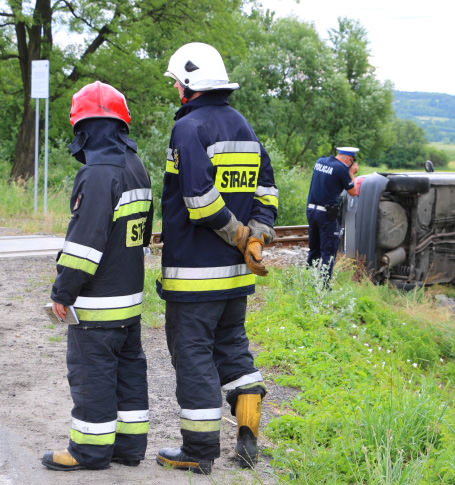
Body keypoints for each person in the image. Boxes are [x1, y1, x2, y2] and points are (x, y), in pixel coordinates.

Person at [155, 42, 278, 474]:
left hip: (194, 277)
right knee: (234, 352)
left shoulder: (189, 130)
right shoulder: (245, 128)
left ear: (189, 85)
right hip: (235, 279)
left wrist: (241, 235)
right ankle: (248, 439)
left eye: (176, 82)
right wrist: (256, 238)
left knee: (193, 358)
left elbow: (200, 202)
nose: (174, 88)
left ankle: (198, 451)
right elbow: (267, 193)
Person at [41, 81, 153, 471]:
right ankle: (128, 448)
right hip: (129, 300)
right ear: (121, 126)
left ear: (83, 128)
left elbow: (84, 246)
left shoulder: (97, 174)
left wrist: (63, 291)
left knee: (92, 376)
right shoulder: (136, 168)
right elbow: (141, 237)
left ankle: (88, 451)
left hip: (97, 305)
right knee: (128, 372)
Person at [306, 146, 359, 282]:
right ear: (349, 159)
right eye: (352, 161)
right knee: (328, 251)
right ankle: (324, 286)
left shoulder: (320, 161)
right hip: (326, 214)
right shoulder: (341, 169)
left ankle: (308, 280)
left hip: (311, 210)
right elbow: (353, 192)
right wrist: (351, 173)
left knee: (314, 249)